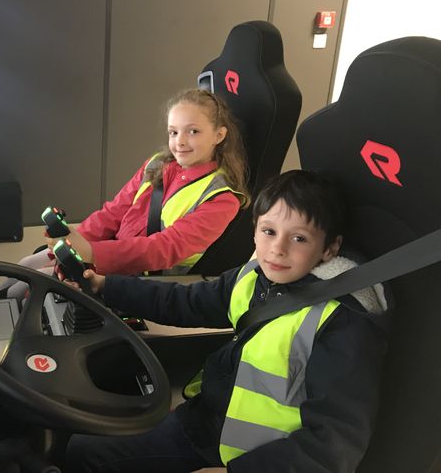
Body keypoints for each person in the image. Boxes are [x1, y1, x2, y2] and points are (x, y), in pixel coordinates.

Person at [64, 170, 390, 473]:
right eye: (269, 231)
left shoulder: (342, 322)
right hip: (205, 423)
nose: (277, 249)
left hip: (251, 457)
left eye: (299, 239)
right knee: (81, 448)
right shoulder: (252, 278)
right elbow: (183, 302)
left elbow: (331, 447)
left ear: (329, 248)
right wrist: (107, 286)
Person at [0, 88, 250, 301]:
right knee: (27, 263)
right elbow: (114, 212)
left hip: (145, 276)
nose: (180, 141)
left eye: (193, 131)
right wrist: (75, 240)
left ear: (219, 135)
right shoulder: (158, 163)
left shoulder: (221, 199)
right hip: (112, 250)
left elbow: (161, 250)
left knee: (28, 287)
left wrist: (92, 253)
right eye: (173, 132)